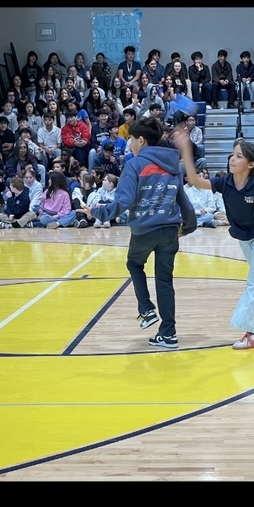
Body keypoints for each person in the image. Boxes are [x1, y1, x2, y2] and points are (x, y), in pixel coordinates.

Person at [176, 130, 254, 348]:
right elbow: (193, 180)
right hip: (242, 236)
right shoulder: (224, 182)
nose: (232, 158)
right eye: (232, 154)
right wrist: (185, 151)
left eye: (239, 156)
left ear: (250, 164)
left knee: (253, 281)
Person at [89, 117, 196, 350]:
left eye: (130, 139)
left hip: (145, 230)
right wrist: (189, 225)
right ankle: (169, 334)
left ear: (141, 140)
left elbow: (125, 200)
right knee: (165, 281)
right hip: (169, 230)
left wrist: (100, 212)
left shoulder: (134, 164)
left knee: (135, 264)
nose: (129, 144)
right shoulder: (174, 165)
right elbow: (182, 199)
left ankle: (146, 310)